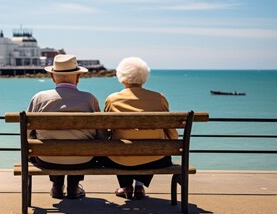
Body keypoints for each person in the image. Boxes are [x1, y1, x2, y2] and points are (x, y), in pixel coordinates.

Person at [103, 57, 178, 200]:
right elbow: (172, 133)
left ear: (122, 77)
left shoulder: (112, 99)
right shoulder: (159, 98)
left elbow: (106, 130)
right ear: (144, 78)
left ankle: (126, 186)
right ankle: (139, 185)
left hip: (120, 158)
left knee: (119, 146)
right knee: (149, 148)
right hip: (155, 159)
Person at [27, 54, 101, 199]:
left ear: (52, 77)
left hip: (47, 159)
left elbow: (28, 133)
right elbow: (100, 134)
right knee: (81, 146)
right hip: (83, 160)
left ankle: (57, 186)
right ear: (78, 77)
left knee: (51, 145)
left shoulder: (39, 99)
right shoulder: (89, 99)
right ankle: (73, 187)